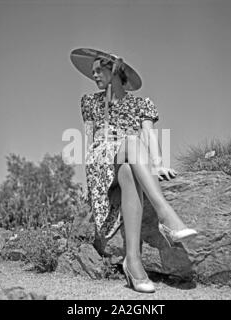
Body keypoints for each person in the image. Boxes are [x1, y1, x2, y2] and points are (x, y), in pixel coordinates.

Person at [70, 48, 197, 293]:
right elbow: (88, 139)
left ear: (115, 71)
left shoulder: (141, 104)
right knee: (131, 142)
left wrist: (158, 164)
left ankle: (133, 263)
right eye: (93, 72)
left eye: (99, 71)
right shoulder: (89, 101)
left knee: (130, 170)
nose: (94, 76)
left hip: (127, 159)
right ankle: (165, 214)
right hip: (100, 160)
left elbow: (149, 133)